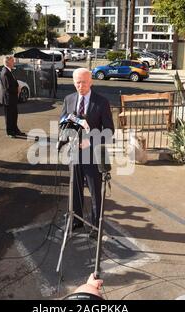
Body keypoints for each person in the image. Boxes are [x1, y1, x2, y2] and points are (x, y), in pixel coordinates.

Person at [60, 68, 114, 239]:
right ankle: (77, 220)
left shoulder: (101, 102)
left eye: (83, 82)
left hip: (93, 154)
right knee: (75, 188)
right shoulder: (69, 99)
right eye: (77, 82)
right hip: (74, 153)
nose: (80, 86)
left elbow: (109, 130)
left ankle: (96, 226)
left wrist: (89, 142)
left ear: (91, 82)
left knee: (94, 191)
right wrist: (66, 138)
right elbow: (63, 124)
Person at [0, 56, 25, 138]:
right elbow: (7, 87)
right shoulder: (5, 72)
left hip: (12, 98)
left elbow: (14, 82)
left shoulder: (9, 71)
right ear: (7, 62)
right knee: (9, 116)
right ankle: (10, 132)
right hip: (8, 98)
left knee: (14, 115)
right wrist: (16, 90)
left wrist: (18, 87)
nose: (14, 62)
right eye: (12, 61)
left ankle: (15, 130)